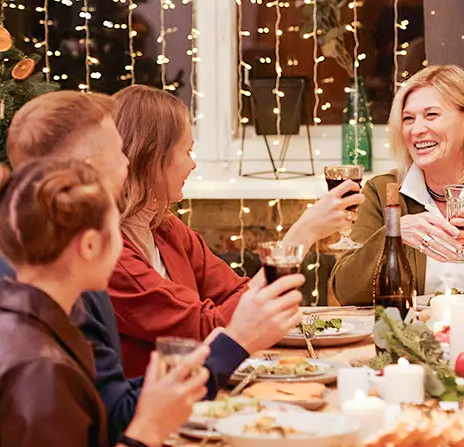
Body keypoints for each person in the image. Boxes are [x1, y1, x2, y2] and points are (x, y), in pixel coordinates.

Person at [0, 91, 303, 443]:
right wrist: (234, 341)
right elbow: (116, 425)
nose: (127, 162)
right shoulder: (66, 272)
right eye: (118, 152)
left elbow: (114, 404)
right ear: (89, 169)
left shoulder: (62, 261)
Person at [106, 85, 364, 376]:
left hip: (201, 385)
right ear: (151, 157)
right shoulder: (111, 255)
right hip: (154, 406)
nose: (193, 164)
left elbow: (237, 293)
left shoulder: (165, 228)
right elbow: (208, 329)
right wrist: (301, 235)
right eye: (187, 151)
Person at [330, 64, 464, 303]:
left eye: (431, 115)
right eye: (408, 119)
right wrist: (395, 234)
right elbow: (346, 292)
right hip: (412, 338)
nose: (417, 130)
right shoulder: (383, 193)